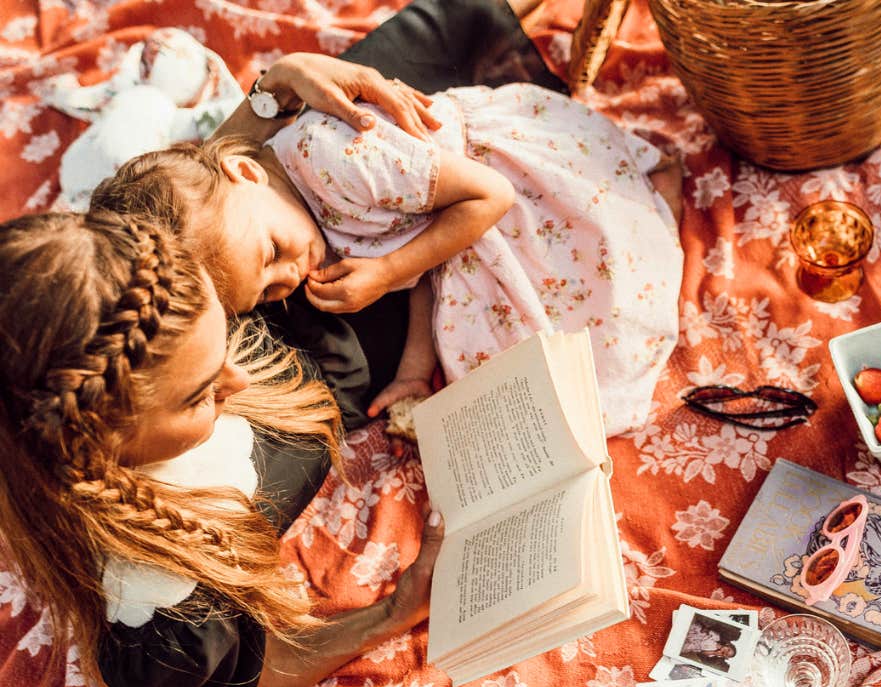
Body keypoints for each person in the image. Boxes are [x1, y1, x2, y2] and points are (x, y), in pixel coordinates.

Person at [0, 211, 446, 687]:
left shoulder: (132, 297)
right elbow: (234, 686)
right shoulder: (164, 613)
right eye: (198, 394)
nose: (238, 377)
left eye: (225, 335)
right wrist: (393, 614)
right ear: (98, 447)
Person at [92, 79, 685, 435]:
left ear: (247, 171)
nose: (289, 275)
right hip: (455, 228)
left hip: (500, 186)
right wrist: (409, 372)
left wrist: (387, 272)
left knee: (609, 279)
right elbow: (419, 263)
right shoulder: (288, 219)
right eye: (269, 291)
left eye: (272, 254)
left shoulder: (334, 159)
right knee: (514, 379)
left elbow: (491, 196)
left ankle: (659, 199)